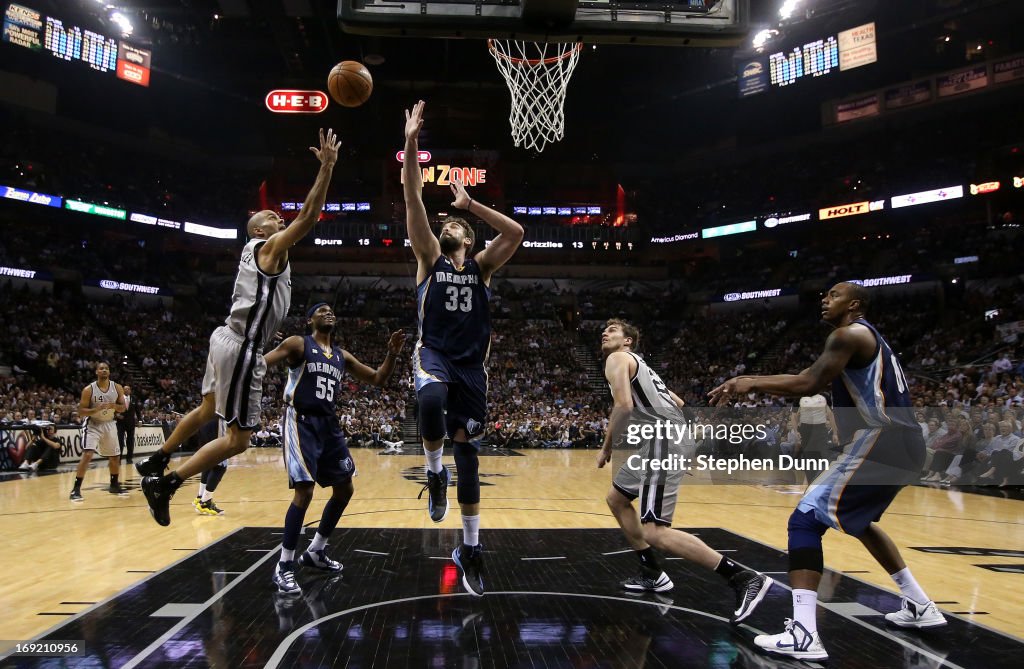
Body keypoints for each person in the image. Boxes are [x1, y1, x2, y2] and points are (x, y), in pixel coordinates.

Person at [710, 282, 946, 662]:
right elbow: (808, 374)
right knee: (860, 522)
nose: (824, 299)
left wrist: (748, 381)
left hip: (882, 439)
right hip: (904, 443)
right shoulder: (861, 339)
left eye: (833, 295)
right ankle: (919, 604)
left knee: (803, 521)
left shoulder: (847, 334)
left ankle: (805, 633)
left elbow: (808, 384)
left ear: (854, 304)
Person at [139, 128, 341, 526]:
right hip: (242, 347)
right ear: (260, 231)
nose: (277, 217)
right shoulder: (269, 247)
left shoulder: (255, 250)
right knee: (238, 440)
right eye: (270, 217)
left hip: (226, 336)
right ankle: (168, 482)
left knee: (207, 408)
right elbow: (309, 216)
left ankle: (159, 456)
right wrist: (328, 168)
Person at [404, 100, 524, 596]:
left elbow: (515, 232)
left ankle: (470, 549)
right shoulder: (429, 255)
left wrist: (471, 205)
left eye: (453, 225)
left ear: (468, 235)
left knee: (470, 457)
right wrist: (411, 141)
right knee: (430, 401)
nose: (444, 225)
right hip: (435, 354)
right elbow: (413, 195)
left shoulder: (482, 266)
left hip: (473, 368)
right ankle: (434, 476)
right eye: (445, 222)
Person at [596, 319, 773, 624]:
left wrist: (607, 446)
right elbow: (676, 401)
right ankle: (652, 572)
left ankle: (743, 578)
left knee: (654, 531)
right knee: (616, 499)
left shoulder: (617, 358)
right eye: (605, 329)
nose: (605, 332)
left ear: (628, 341)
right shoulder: (641, 366)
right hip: (664, 440)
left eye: (613, 330)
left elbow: (623, 405)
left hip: (662, 442)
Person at [263, 303, 406, 595]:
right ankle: (285, 566)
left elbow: (378, 379)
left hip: (329, 425)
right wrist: (259, 341)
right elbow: (262, 363)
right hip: (300, 420)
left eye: (331, 310)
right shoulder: (297, 344)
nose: (328, 312)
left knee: (345, 489)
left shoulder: (342, 356)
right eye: (321, 309)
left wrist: (392, 353)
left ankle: (315, 551)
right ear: (310, 319)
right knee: (304, 491)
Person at [71, 361, 127, 500]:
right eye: (101, 369)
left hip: (109, 424)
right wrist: (96, 409)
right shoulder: (88, 390)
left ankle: (114, 485)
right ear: (96, 372)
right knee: (88, 455)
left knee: (115, 457)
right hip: (93, 424)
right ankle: (76, 489)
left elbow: (123, 408)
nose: (104, 370)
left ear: (109, 372)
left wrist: (113, 405)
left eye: (106, 368)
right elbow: (81, 411)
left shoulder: (117, 387)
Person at [117, 383, 142, 463]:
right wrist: (116, 415)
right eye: (125, 389)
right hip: (120, 423)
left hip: (131, 423)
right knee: (120, 441)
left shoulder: (134, 398)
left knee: (130, 441)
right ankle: (119, 459)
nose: (126, 390)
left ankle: (129, 458)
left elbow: (138, 411)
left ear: (130, 391)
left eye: (128, 389)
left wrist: (140, 420)